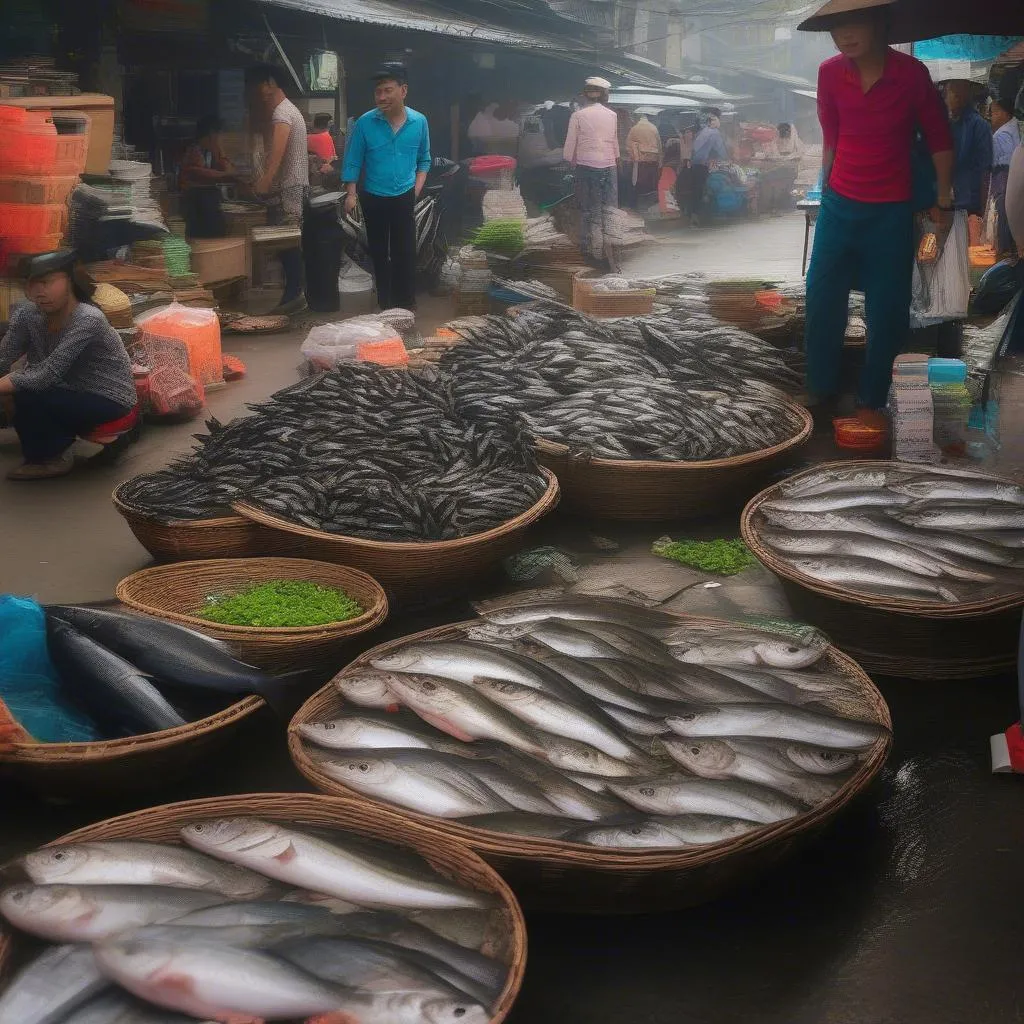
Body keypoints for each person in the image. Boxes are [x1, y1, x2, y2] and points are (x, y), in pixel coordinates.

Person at [797, 0, 954, 416]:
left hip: (892, 211)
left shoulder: (911, 75)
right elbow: (831, 132)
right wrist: (824, 187)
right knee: (821, 295)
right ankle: (821, 387)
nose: (845, 35)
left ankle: (871, 395)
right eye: (837, 27)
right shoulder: (829, 73)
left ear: (881, 24)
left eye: (856, 23)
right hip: (839, 204)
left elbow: (939, 139)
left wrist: (943, 198)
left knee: (888, 309)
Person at [0, 250, 136, 481]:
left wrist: (8, 384)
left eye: (47, 283)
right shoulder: (27, 314)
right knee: (18, 394)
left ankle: (52, 458)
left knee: (27, 392)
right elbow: (4, 356)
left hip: (106, 396)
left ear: (70, 281)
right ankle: (59, 435)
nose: (39, 292)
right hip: (63, 389)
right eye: (32, 284)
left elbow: (46, 375)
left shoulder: (88, 319)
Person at [342, 65, 431, 312]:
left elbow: (424, 159)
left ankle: (406, 303)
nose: (381, 97)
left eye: (387, 91)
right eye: (378, 92)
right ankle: (385, 302)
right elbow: (353, 159)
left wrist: (416, 188)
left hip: (405, 194)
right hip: (373, 195)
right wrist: (351, 194)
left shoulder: (419, 121)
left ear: (403, 91)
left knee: (405, 250)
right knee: (379, 251)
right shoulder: (365, 122)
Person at [246, 63, 309, 315]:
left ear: (271, 83)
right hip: (293, 188)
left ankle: (294, 295)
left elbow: (277, 154)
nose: (257, 93)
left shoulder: (282, 114)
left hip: (288, 190)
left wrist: (265, 180)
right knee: (288, 245)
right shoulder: (290, 110)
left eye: (259, 86)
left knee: (288, 245)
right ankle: (293, 294)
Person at [564, 76, 620, 268]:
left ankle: (589, 251)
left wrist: (569, 162)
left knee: (587, 209)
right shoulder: (612, 115)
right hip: (609, 165)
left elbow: (570, 146)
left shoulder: (578, 115)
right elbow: (614, 143)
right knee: (608, 208)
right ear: (604, 95)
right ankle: (611, 250)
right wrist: (614, 160)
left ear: (585, 95)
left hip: (586, 166)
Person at [945, 79, 992, 244]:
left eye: (948, 93)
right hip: (954, 201)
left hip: (971, 206)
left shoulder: (978, 126)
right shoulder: (951, 125)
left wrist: (981, 207)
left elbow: (985, 169)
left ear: (958, 96)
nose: (946, 98)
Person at [180, 115, 235, 239]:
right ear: (211, 134)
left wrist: (220, 152)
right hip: (196, 203)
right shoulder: (194, 150)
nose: (221, 138)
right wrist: (225, 175)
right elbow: (201, 173)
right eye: (219, 134)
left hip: (207, 202)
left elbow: (229, 169)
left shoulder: (211, 151)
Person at [991, 93, 1021, 258]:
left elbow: (1005, 161)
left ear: (1005, 114)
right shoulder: (1014, 127)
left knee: (1003, 212)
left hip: (1004, 176)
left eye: (995, 112)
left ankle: (1005, 248)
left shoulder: (1002, 134)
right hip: (1009, 177)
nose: (992, 116)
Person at [691, 109, 728, 224]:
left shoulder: (702, 131)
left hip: (694, 164)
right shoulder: (714, 132)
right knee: (708, 188)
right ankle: (704, 214)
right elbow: (720, 150)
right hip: (703, 165)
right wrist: (727, 160)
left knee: (697, 189)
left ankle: (694, 213)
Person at [626, 112, 663, 209]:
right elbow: (659, 146)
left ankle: (637, 207)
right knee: (652, 184)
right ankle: (651, 206)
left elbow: (628, 146)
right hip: (653, 161)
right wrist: (660, 161)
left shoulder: (634, 129)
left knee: (638, 183)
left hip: (640, 161)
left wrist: (632, 158)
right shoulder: (654, 128)